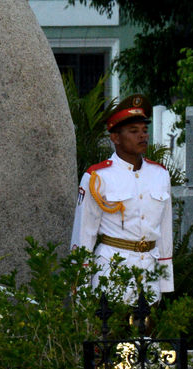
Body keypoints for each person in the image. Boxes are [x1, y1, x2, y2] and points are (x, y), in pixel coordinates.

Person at [70, 94, 173, 303]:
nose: (142, 136)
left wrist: (165, 284)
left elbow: (165, 231)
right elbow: (83, 235)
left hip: (150, 275)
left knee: (148, 334)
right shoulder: (97, 178)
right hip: (112, 271)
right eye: (134, 131)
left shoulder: (160, 174)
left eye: (145, 131)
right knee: (111, 333)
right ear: (115, 137)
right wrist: (80, 290)